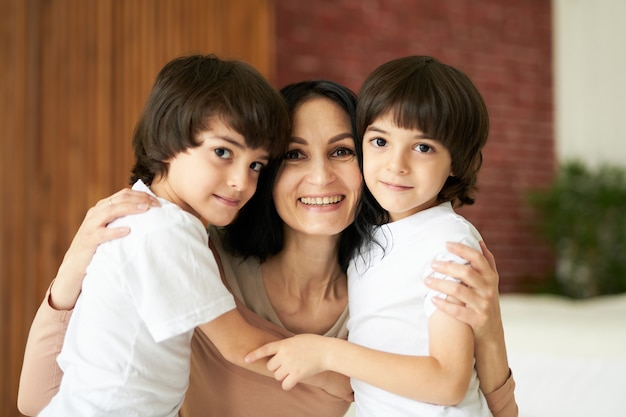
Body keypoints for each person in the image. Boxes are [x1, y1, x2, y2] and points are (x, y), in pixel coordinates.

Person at [18, 80, 517, 417]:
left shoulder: (390, 293)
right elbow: (36, 400)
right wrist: (74, 268)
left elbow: (461, 399)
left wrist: (488, 334)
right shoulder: (204, 265)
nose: (320, 176)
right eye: (295, 155)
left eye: (341, 151)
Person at [35, 53, 295, 416]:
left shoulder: (151, 217)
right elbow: (240, 346)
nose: (241, 181)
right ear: (169, 138)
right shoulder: (165, 230)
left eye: (256, 165)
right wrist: (338, 375)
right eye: (222, 152)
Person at [246, 56, 503, 417]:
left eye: (423, 147)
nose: (396, 165)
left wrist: (328, 353)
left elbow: (449, 382)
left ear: (457, 161)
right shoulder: (374, 242)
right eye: (380, 142)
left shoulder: (447, 243)